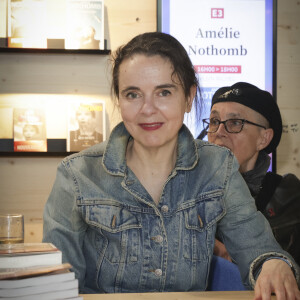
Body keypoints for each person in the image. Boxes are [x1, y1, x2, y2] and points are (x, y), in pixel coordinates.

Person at [43, 32, 300, 298]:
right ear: (119, 100)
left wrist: (273, 264)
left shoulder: (218, 167)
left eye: (164, 92)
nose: (148, 109)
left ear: (189, 98)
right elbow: (55, 285)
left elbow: (259, 248)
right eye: (133, 94)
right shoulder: (76, 175)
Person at [203, 82, 300, 267]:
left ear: (264, 138)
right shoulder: (188, 191)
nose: (219, 132)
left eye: (235, 123)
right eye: (215, 121)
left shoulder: (290, 198)